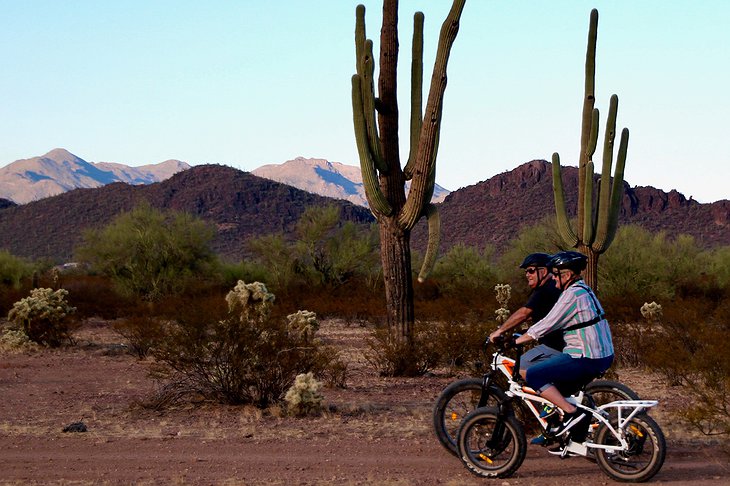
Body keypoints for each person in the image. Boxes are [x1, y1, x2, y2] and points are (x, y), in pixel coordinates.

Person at [513, 250, 614, 438]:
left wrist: (517, 340)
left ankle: (571, 413)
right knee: (558, 385)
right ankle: (567, 430)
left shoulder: (572, 295)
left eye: (556, 274)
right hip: (601, 354)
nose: (554, 278)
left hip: (585, 356)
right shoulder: (584, 290)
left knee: (534, 374)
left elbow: (547, 323)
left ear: (567, 275)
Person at [488, 252, 563, 378]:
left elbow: (524, 313)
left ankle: (545, 396)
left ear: (543, 271)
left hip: (555, 347)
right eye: (526, 271)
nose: (527, 274)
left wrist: (499, 331)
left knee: (521, 366)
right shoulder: (550, 287)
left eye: (531, 270)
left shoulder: (546, 289)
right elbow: (533, 316)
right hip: (557, 345)